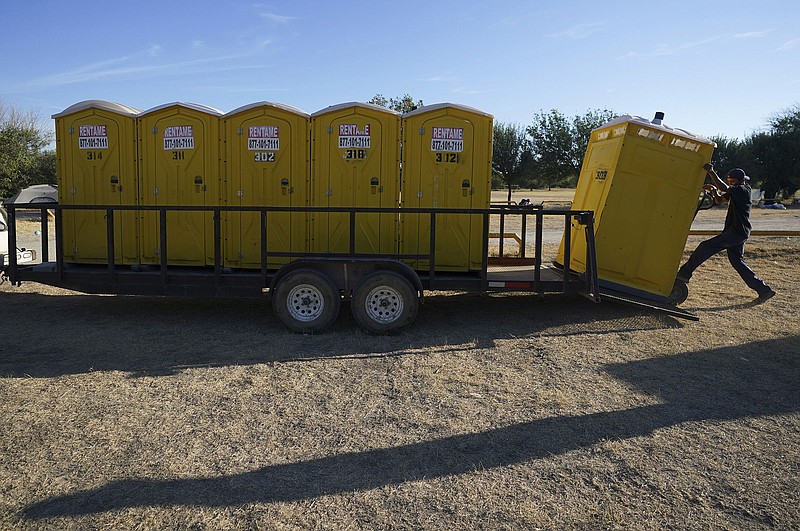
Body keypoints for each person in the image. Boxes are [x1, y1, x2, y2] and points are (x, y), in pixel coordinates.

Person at [677, 164, 776, 301]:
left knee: (706, 246)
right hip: (736, 232)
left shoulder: (743, 189)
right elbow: (719, 199)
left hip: (736, 232)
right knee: (737, 262)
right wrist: (713, 190)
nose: (731, 183)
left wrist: (711, 172)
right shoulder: (735, 190)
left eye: (733, 181)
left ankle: (684, 274)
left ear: (741, 180)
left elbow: (724, 188)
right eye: (729, 181)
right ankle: (764, 290)